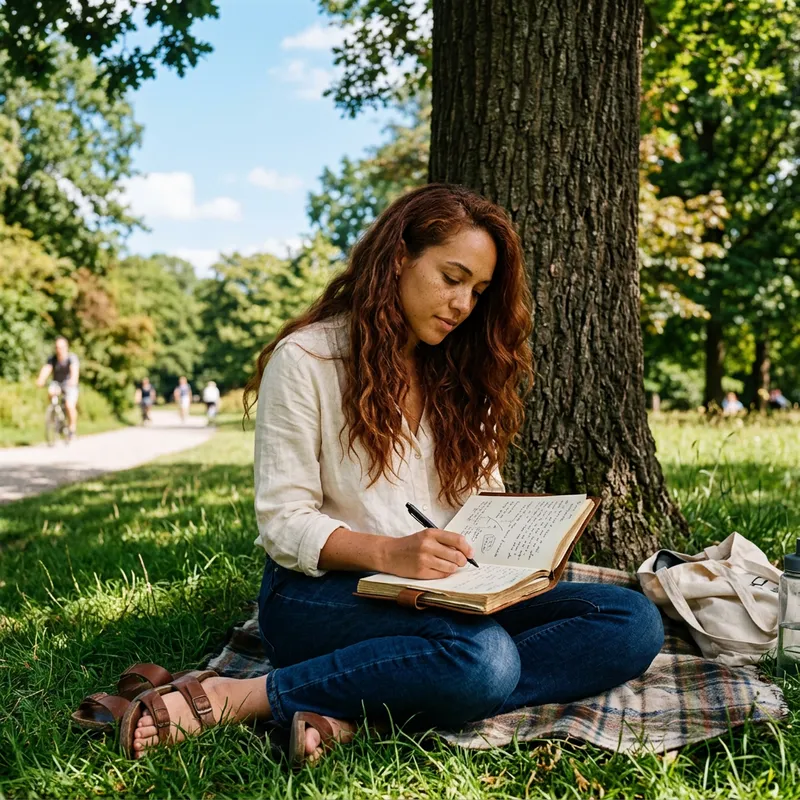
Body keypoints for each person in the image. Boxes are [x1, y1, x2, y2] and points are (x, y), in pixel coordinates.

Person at [127, 184, 663, 763]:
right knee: (485, 660)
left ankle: (358, 711)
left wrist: (517, 547)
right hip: (324, 593)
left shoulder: (464, 370)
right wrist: (390, 554)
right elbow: (283, 524)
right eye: (452, 278)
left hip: (448, 591)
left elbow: (482, 499)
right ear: (399, 258)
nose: (462, 305)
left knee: (630, 621)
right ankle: (247, 696)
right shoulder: (307, 360)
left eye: (478, 292)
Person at [36, 337, 80, 438]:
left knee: (69, 405)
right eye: (57, 347)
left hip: (70, 384)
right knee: (51, 393)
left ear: (66, 347)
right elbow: (47, 369)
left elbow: (75, 371)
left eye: (61, 347)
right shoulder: (52, 359)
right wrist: (41, 379)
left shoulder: (71, 358)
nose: (59, 350)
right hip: (57, 383)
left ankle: (72, 428)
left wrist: (73, 380)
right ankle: (54, 417)